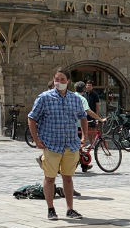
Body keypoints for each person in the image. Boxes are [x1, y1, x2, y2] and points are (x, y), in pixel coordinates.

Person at [28, 68, 87, 220]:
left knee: (68, 178)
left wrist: (84, 136)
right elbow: (32, 118)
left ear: (68, 81)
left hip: (70, 145)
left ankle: (70, 209)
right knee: (50, 178)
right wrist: (36, 139)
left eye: (62, 80)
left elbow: (83, 117)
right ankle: (51, 209)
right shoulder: (44, 98)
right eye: (56, 79)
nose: (58, 82)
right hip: (52, 144)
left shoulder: (75, 99)